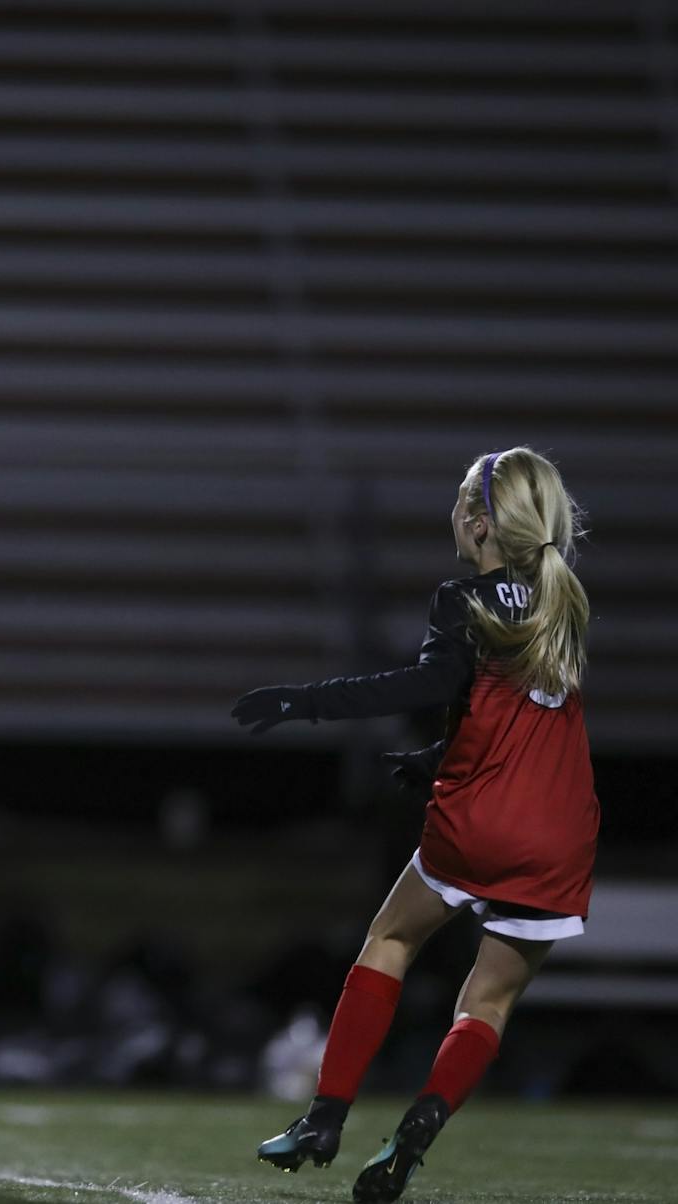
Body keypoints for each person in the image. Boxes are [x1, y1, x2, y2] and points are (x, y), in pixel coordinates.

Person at [233, 447, 598, 1203]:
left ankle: (324, 1117)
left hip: (484, 815)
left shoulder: (462, 597)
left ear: (477, 521)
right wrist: (438, 756)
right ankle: (416, 1132)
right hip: (562, 825)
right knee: (488, 1002)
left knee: (390, 939)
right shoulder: (563, 598)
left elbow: (431, 681)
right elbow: (520, 719)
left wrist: (305, 701)